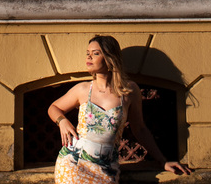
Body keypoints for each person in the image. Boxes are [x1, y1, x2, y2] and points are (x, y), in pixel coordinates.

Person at [47, 35, 191, 182]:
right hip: (74, 163)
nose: (89, 57)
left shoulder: (129, 91)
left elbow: (140, 129)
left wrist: (162, 161)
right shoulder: (83, 89)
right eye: (87, 53)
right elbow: (54, 107)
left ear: (110, 58)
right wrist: (62, 121)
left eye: (96, 53)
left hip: (106, 167)